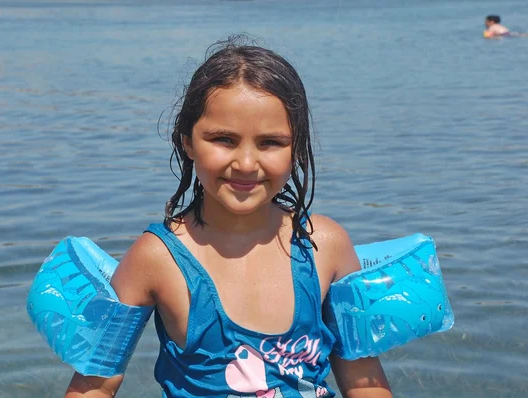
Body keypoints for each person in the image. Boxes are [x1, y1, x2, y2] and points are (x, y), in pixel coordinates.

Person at [64, 37, 392, 398]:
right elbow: (94, 385)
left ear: (296, 148)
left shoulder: (324, 246)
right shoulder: (157, 258)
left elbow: (363, 379)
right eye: (223, 139)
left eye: (270, 143)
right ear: (187, 141)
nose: (247, 164)